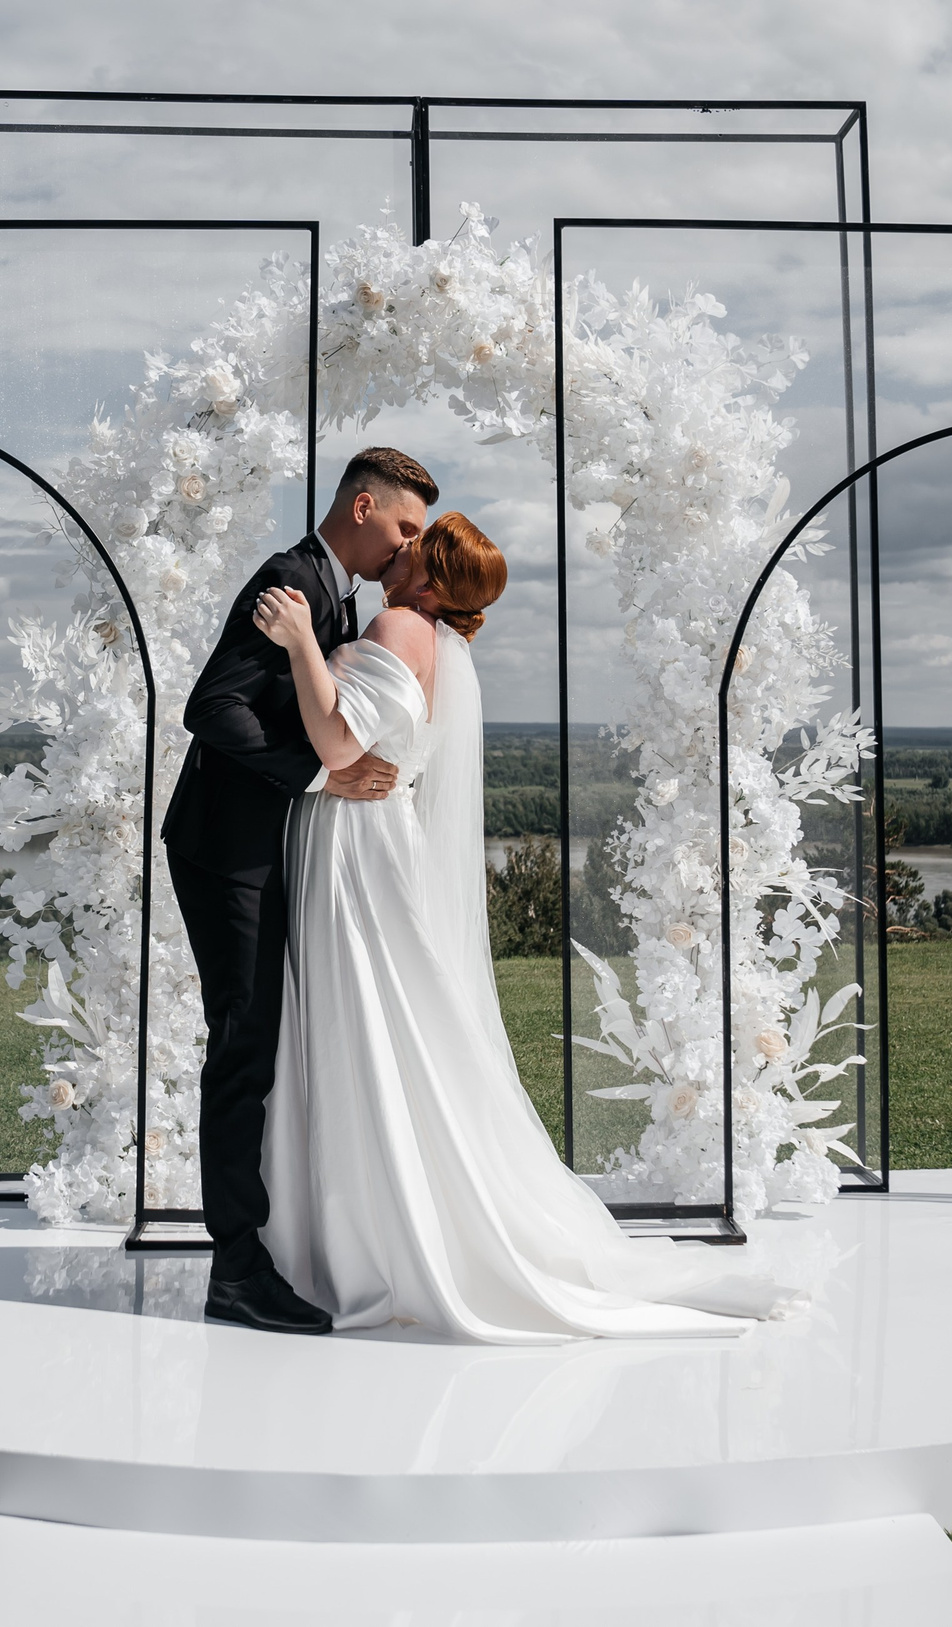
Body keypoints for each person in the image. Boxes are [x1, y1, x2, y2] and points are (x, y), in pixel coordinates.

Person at [250, 511, 798, 1342]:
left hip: (355, 849)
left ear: (430, 581)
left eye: (412, 548)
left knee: (361, 1017)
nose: (396, 552)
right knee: (380, 1025)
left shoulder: (400, 622)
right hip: (364, 835)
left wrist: (297, 640)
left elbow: (333, 741)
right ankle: (368, 1218)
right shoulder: (435, 638)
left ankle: (361, 1234)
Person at [163, 447, 432, 1335]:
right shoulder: (293, 580)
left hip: (260, 845)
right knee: (242, 1046)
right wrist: (318, 781)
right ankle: (236, 1270)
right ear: (363, 506)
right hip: (225, 849)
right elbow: (214, 707)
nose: (408, 548)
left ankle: (262, 1249)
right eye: (404, 527)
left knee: (260, 1044)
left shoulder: (335, 594)